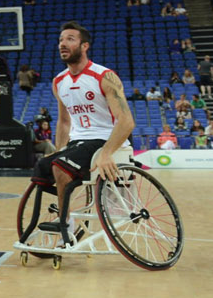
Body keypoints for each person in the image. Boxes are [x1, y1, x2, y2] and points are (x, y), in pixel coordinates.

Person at [32, 22, 136, 243]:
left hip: (106, 139)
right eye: (61, 39)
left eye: (70, 39)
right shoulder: (59, 81)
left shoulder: (105, 76)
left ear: (84, 45)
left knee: (61, 167)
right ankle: (62, 213)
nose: (63, 43)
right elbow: (63, 121)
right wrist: (58, 150)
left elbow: (126, 122)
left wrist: (106, 153)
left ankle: (65, 224)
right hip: (78, 143)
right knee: (44, 165)